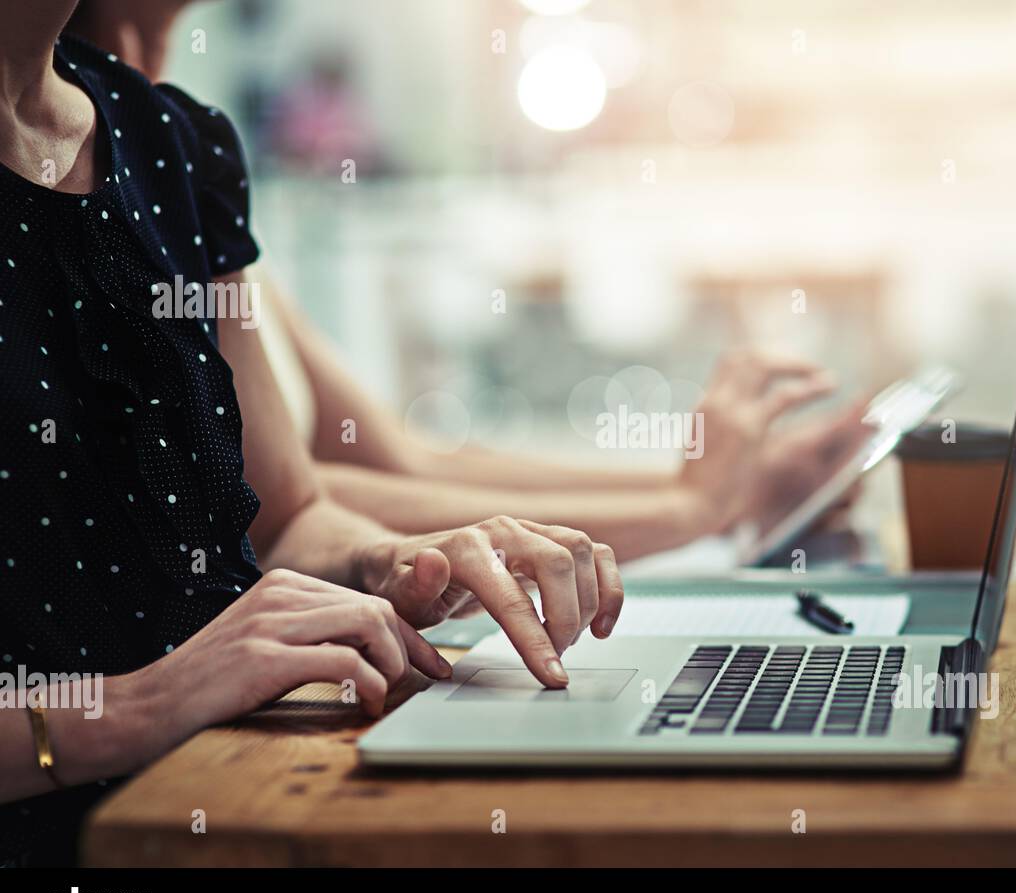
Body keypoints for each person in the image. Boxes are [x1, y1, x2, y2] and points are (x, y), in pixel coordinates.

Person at [0, 2, 625, 865]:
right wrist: (138, 706)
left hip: (243, 798)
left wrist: (393, 563)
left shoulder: (176, 142)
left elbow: (283, 517)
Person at [64, 0, 874, 562]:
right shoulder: (81, 184)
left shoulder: (182, 157)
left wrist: (719, 491)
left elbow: (399, 462)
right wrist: (684, 512)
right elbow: (277, 512)